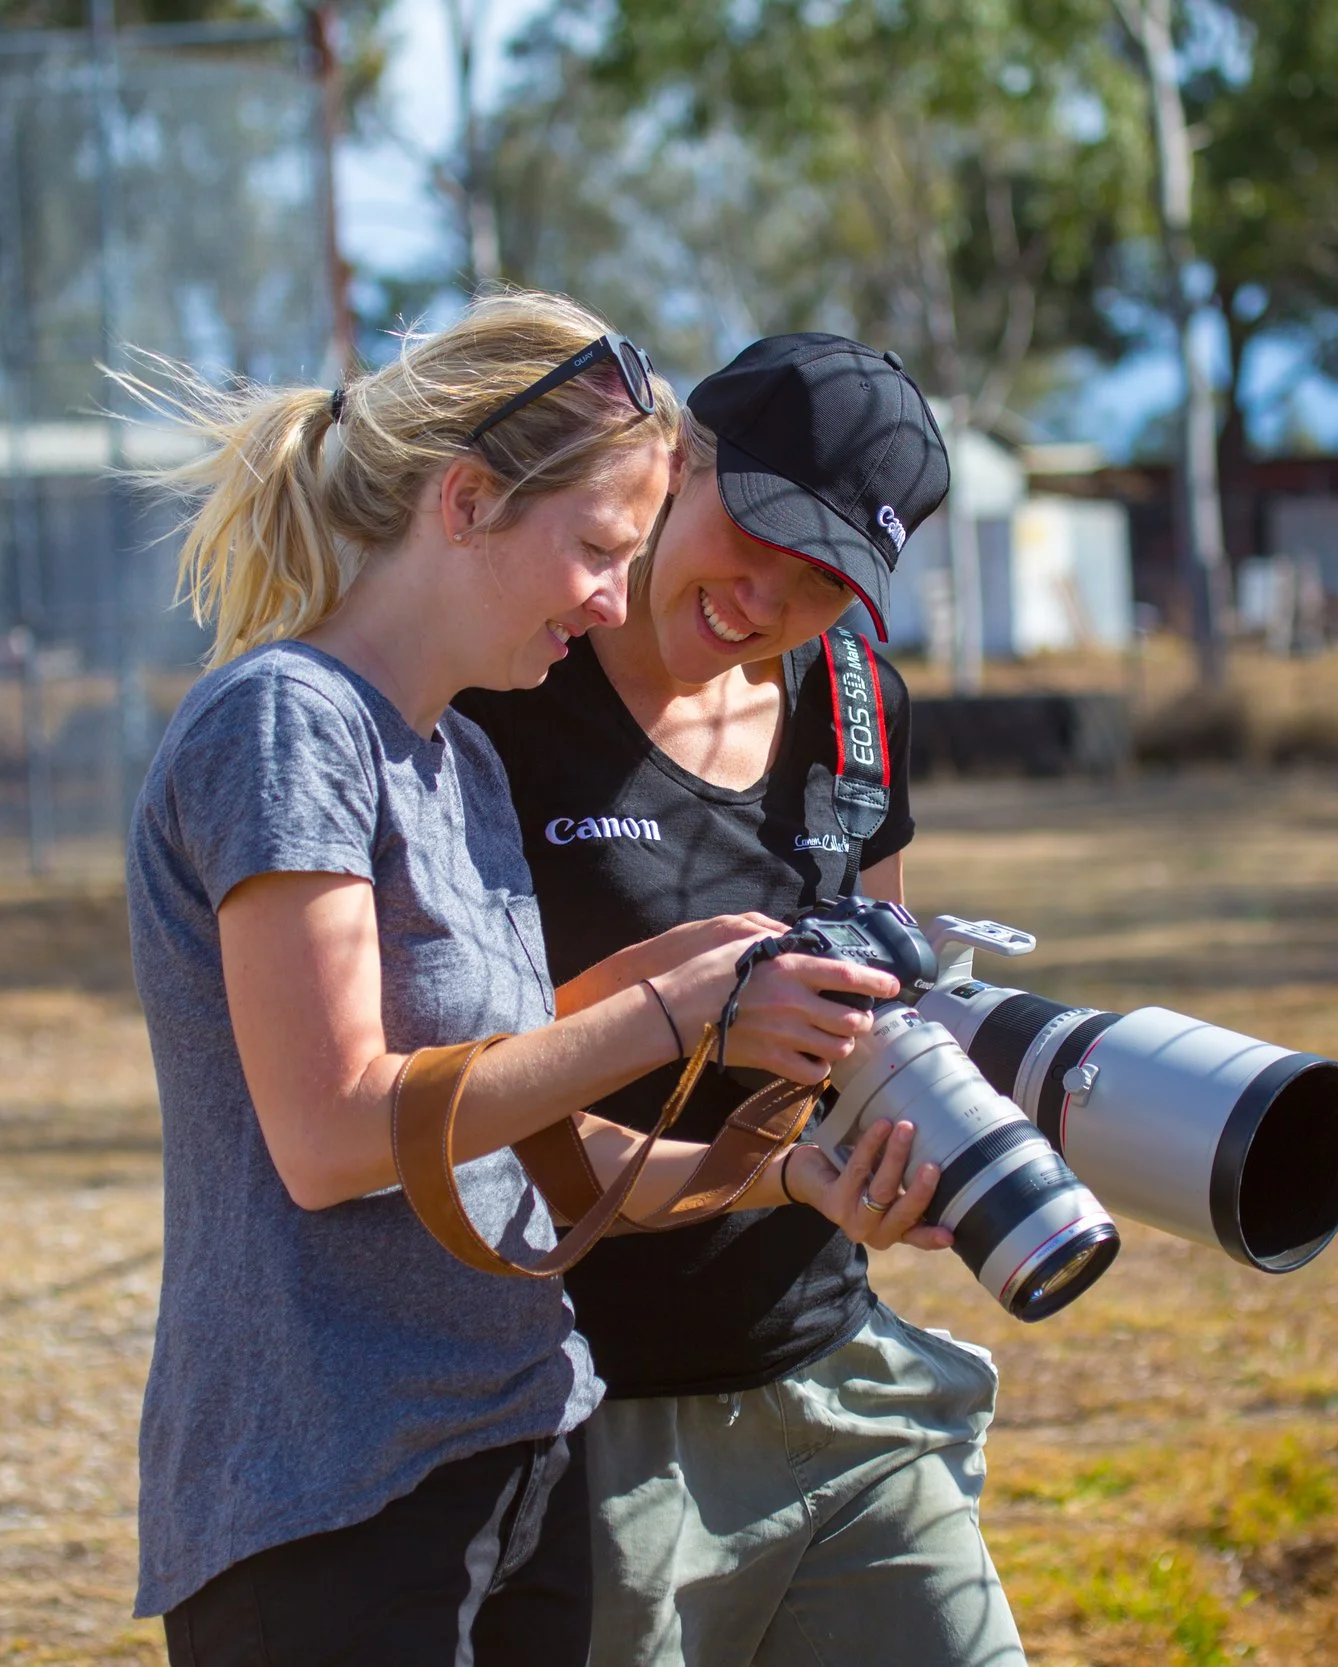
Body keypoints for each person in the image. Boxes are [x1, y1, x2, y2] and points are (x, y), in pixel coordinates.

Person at [122, 296, 913, 1667]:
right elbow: (332, 1137)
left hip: (523, 1460)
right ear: (468, 500)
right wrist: (669, 1009)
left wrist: (779, 1170)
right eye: (600, 549)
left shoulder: (460, 761)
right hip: (327, 1493)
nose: (617, 598)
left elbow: (524, 1152)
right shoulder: (286, 724)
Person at [458, 334, 1028, 1667]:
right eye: (756, 528)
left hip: (832, 1375)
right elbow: (441, 1076)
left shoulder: (854, 705)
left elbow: (879, 1006)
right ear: (679, 458)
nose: (765, 593)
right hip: (590, 1415)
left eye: (827, 574)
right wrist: (687, 1009)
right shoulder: (510, 690)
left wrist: (896, 1142)